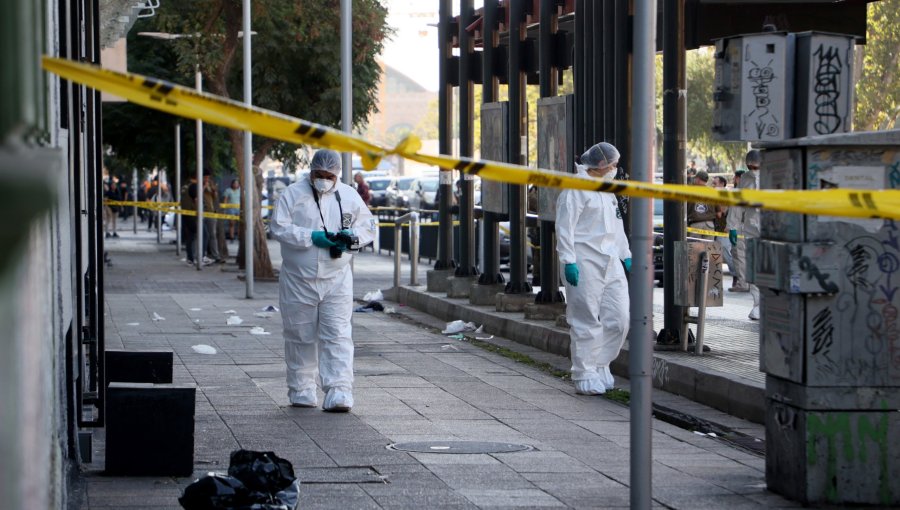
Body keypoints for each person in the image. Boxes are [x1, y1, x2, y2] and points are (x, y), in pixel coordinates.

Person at [270, 149, 376, 411]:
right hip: (298, 279)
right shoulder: (293, 194)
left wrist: (351, 238)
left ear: (337, 174)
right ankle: (301, 389)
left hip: (337, 279)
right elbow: (278, 227)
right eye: (319, 175)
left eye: (329, 176)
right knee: (299, 335)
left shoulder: (349, 195)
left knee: (338, 335)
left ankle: (339, 391)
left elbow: (369, 227)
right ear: (311, 171)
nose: (324, 180)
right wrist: (310, 236)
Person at [556, 142, 631, 395]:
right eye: (613, 164)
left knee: (620, 320)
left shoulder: (607, 189)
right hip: (584, 261)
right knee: (585, 318)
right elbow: (565, 227)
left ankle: (601, 364)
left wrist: (625, 254)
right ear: (600, 165)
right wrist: (568, 260)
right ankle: (584, 373)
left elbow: (617, 226)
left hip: (611, 261)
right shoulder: (575, 189)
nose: (615, 168)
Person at [727, 150, 762, 320]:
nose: (752, 169)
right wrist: (732, 226)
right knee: (753, 269)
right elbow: (737, 204)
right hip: (751, 230)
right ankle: (758, 305)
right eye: (750, 167)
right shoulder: (746, 179)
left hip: (771, 229)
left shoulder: (771, 176)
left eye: (755, 166)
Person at [711, 175, 734, 272]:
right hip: (717, 228)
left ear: (722, 184)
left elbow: (722, 211)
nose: (713, 185)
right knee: (716, 251)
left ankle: (737, 274)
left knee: (725, 250)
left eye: (715, 183)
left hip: (724, 228)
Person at [686, 170, 716, 240]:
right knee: (709, 250)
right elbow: (719, 212)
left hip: (695, 224)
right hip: (709, 225)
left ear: (698, 179)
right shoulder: (712, 192)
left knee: (695, 250)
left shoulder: (689, 191)